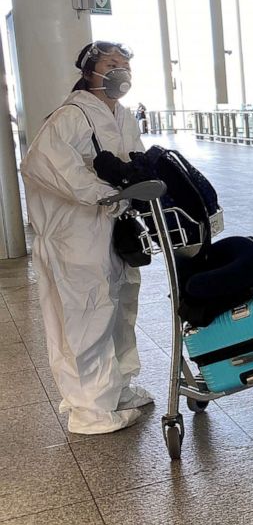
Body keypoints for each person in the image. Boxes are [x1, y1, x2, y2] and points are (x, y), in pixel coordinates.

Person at [21, 41, 153, 434]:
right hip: (74, 232)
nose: (121, 72)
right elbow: (42, 163)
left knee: (119, 308)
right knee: (86, 316)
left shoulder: (122, 114)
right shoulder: (71, 115)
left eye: (125, 65)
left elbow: (135, 159)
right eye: (112, 64)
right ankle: (90, 410)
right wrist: (101, 194)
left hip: (113, 227)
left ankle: (117, 389)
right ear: (90, 70)